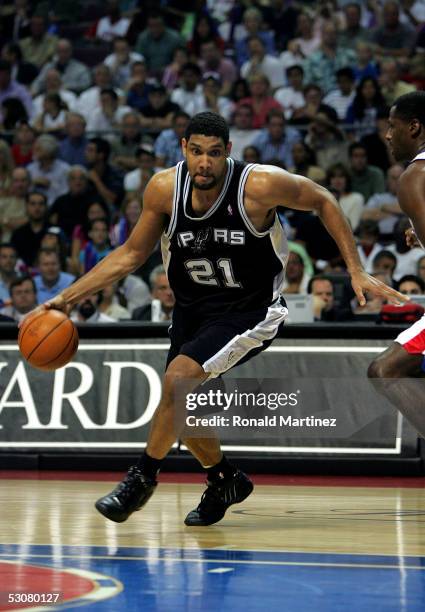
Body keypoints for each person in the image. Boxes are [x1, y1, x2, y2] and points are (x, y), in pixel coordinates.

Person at [24, 112, 404, 528]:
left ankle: (141, 478)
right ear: (183, 148)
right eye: (197, 152)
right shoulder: (164, 189)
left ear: (228, 153)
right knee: (183, 414)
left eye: (215, 154)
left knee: (178, 382)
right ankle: (225, 479)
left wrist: (353, 268)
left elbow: (323, 200)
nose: (205, 163)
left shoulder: (257, 185)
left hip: (249, 309)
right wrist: (64, 298)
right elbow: (132, 254)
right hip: (192, 311)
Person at [368, 91, 425, 439]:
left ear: (415, 127)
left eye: (394, 126)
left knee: (386, 371)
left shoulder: (414, 177)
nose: (388, 135)